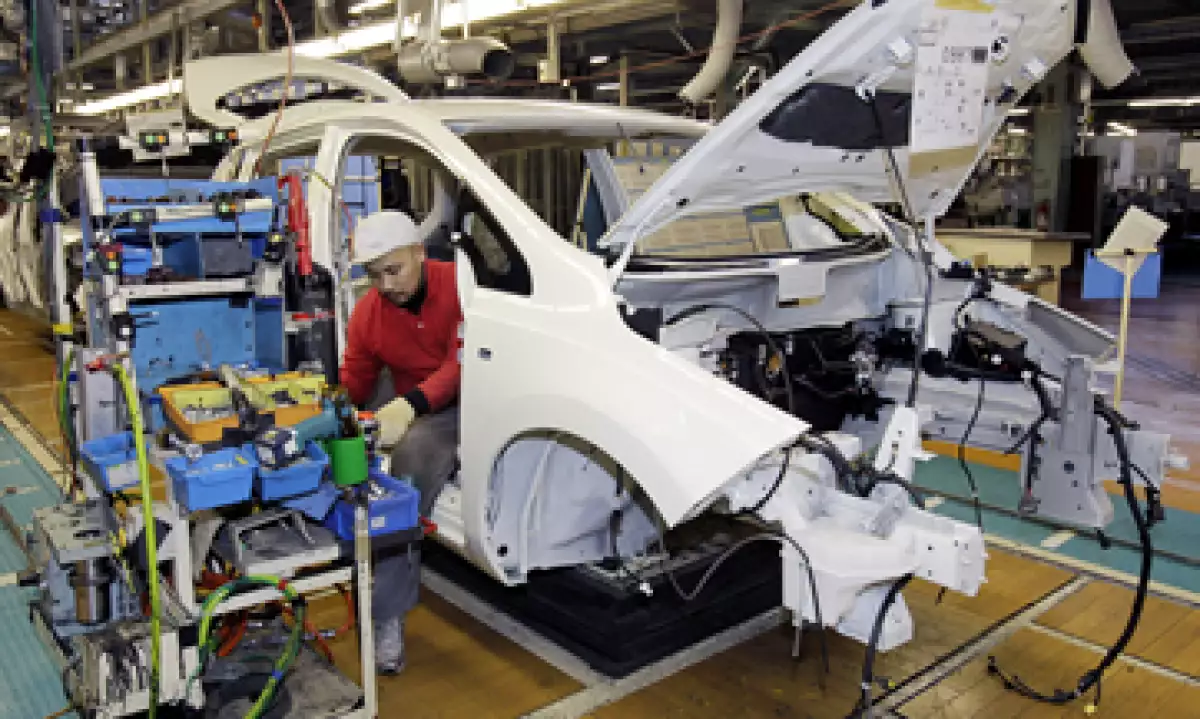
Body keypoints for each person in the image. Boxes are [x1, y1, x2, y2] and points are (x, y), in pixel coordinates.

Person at [339, 209, 463, 674]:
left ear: (419, 253)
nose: (386, 284)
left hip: (470, 396)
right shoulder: (370, 312)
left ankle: (387, 614)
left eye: (395, 270)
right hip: (413, 391)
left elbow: (463, 363)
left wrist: (412, 405)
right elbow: (356, 375)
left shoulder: (460, 286)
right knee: (349, 439)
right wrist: (330, 410)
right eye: (375, 276)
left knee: (407, 469)